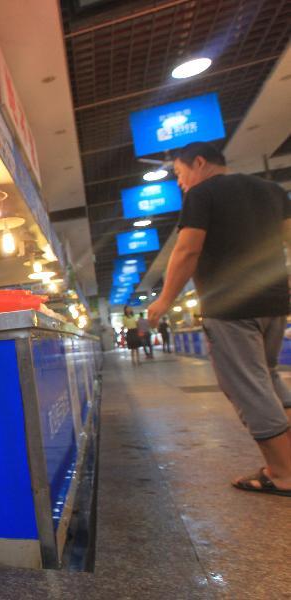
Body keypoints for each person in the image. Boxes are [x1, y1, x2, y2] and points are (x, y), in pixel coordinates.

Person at [147, 141, 291, 497]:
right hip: (273, 303)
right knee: (268, 376)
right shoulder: (272, 190)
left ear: (199, 163)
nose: (180, 183)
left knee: (248, 385)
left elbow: (189, 249)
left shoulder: (202, 194)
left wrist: (165, 300)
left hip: (230, 307)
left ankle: (283, 472)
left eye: (179, 174)